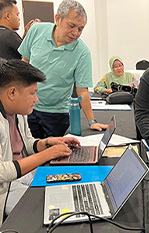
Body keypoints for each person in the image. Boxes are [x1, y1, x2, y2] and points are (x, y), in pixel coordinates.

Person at [0, 59, 80, 225]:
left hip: (19, 176)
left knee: (68, 184)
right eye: (32, 93)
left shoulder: (18, 112)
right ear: (12, 93)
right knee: (54, 210)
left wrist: (49, 143)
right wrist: (46, 155)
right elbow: (2, 172)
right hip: (4, 187)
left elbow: (27, 143)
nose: (36, 99)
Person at [18, 0, 107, 138]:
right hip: (28, 108)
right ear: (58, 19)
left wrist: (91, 121)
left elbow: (82, 90)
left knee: (56, 156)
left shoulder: (82, 52)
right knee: (29, 153)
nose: (76, 33)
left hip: (57, 114)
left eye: (80, 28)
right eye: (72, 26)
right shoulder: (36, 31)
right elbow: (24, 63)